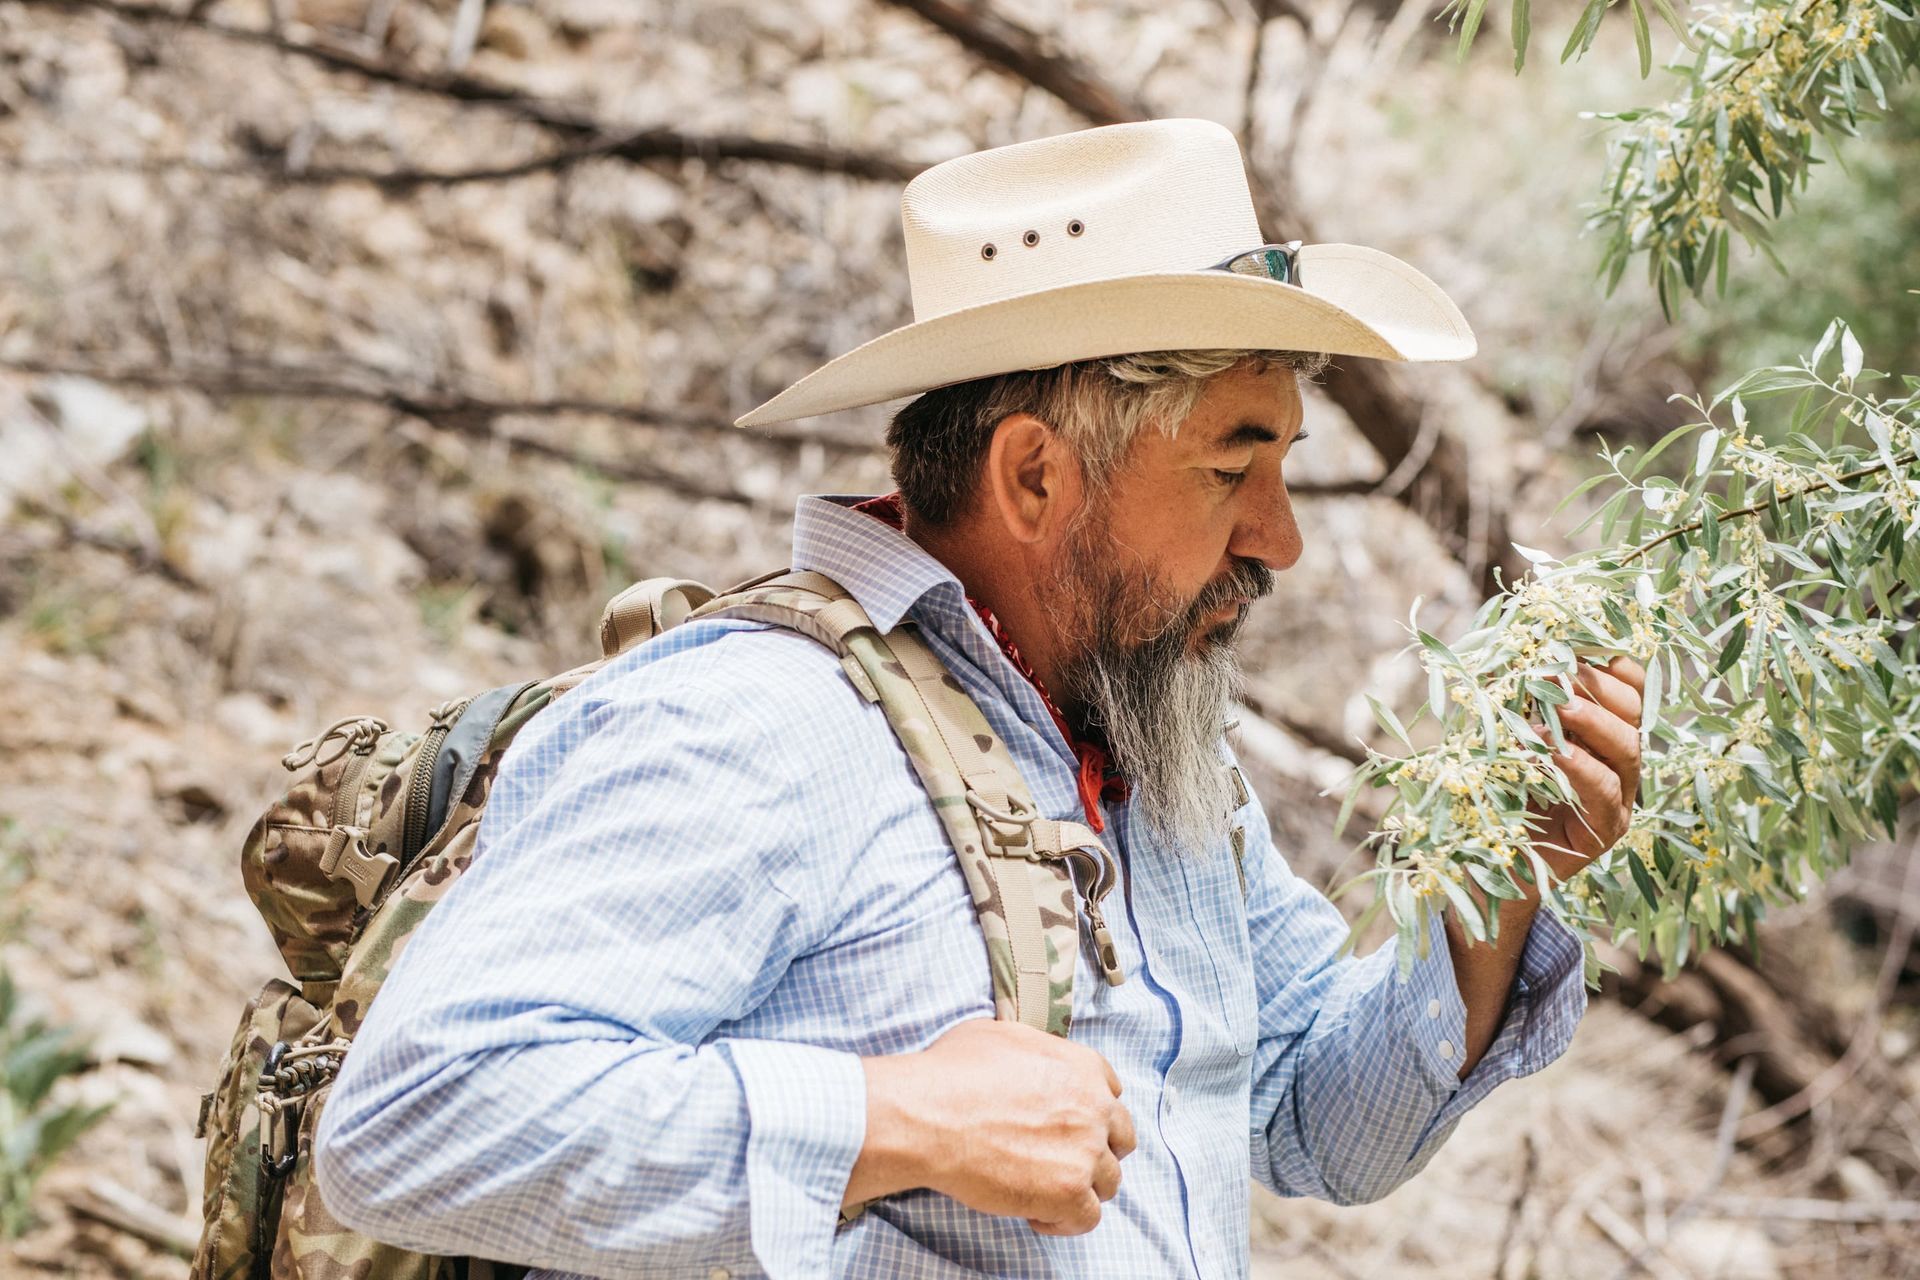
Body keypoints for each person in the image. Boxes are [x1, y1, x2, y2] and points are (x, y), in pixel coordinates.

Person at [313, 117, 1644, 1279]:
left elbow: (1307, 1114)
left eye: (1284, 465)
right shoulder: (755, 724)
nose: (1281, 537)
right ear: (1034, 478)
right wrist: (900, 1123)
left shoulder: (1151, 745)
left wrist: (1503, 878)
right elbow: (416, 1120)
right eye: (1236, 467)